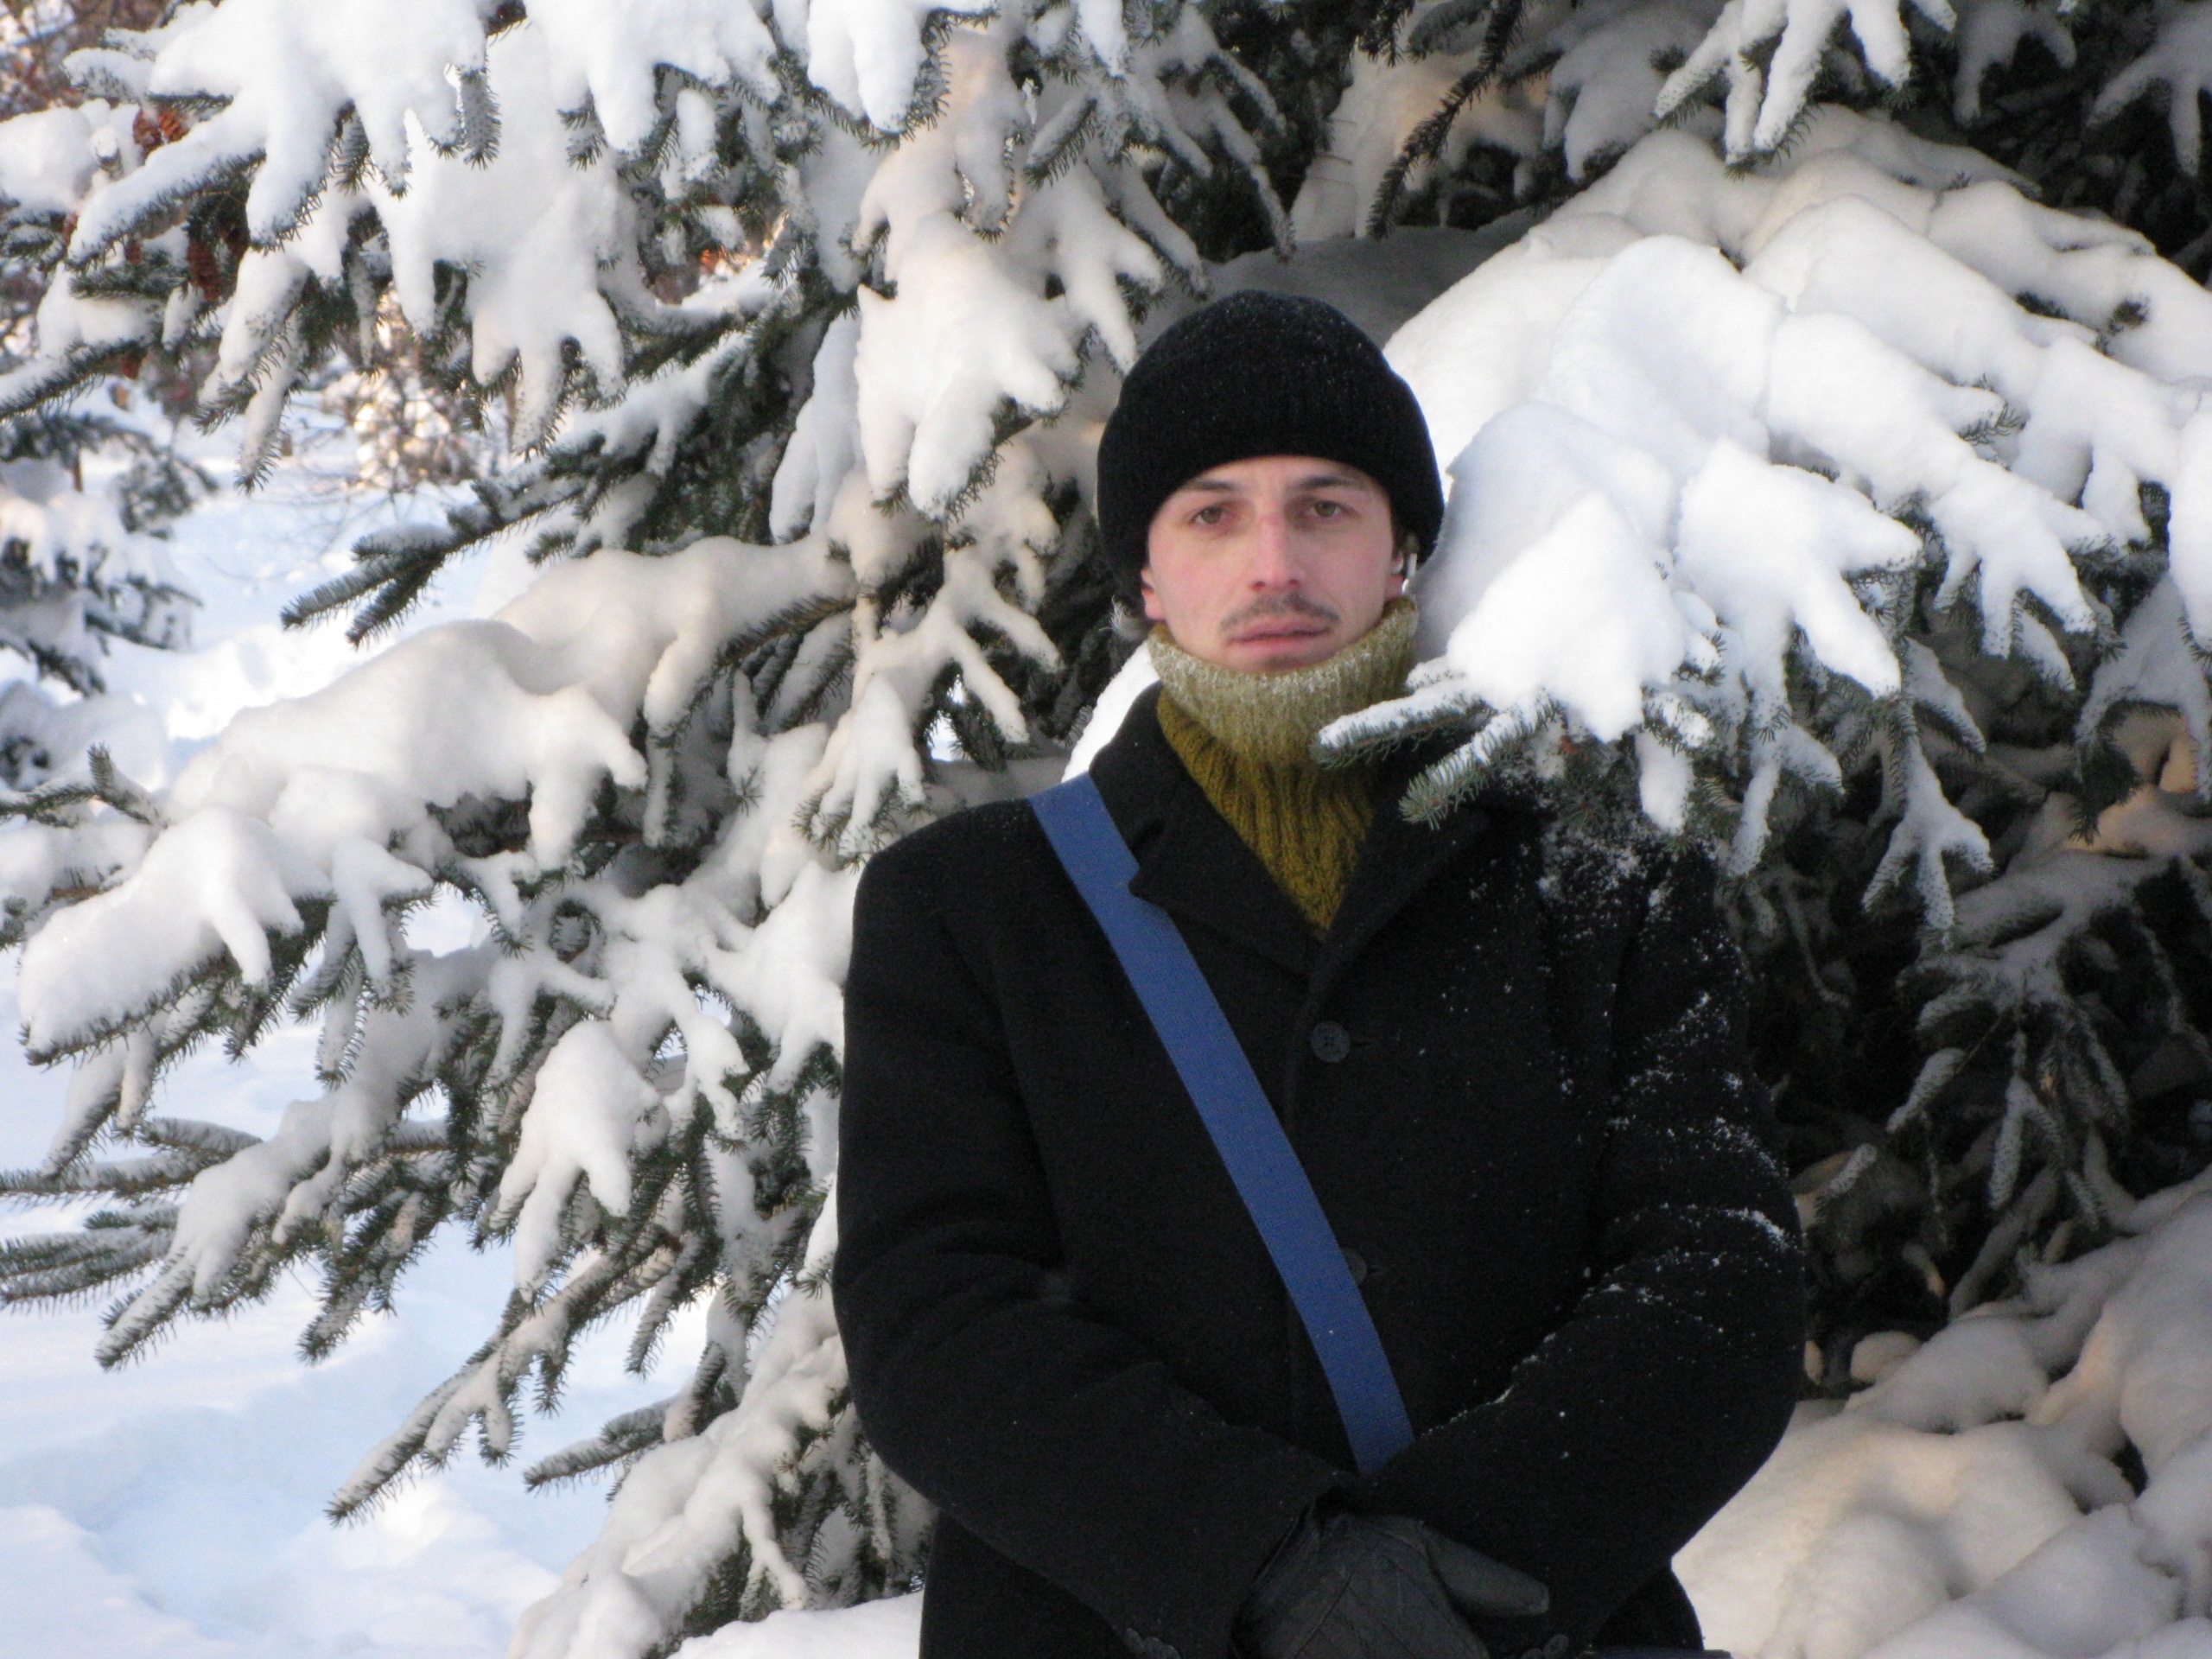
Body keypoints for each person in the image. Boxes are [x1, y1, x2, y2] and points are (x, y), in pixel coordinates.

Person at [833, 290, 1805, 1659]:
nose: (1274, 561)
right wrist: (1269, 1565)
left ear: (1400, 549)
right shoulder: (971, 910)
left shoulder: (1603, 885)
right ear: (1146, 575)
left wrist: (1448, 1582)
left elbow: (1719, 1281)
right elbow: (936, 1323)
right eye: (1212, 515)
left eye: (1326, 507)